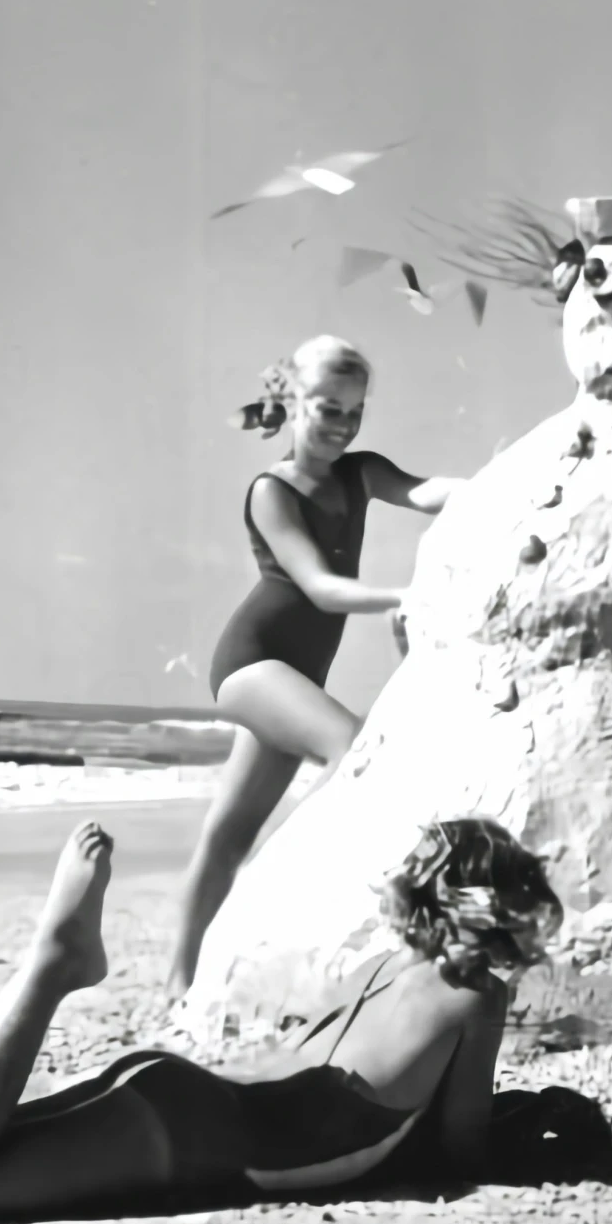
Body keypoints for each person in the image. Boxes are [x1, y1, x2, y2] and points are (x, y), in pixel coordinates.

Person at [0, 816, 560, 1224]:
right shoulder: (477, 998)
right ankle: (50, 971)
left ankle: (36, 974)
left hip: (185, 1088)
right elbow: (463, 1153)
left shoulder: (378, 969)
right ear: (495, 912)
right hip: (199, 1133)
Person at [165, 336, 464, 996]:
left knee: (227, 833)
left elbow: (425, 492)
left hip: (295, 673)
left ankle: (178, 983)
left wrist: (503, 483)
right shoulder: (271, 490)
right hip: (251, 662)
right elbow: (321, 587)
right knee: (353, 750)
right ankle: (287, 892)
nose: (342, 426)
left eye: (355, 413)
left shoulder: (360, 472)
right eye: (329, 409)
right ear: (292, 402)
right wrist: (410, 596)